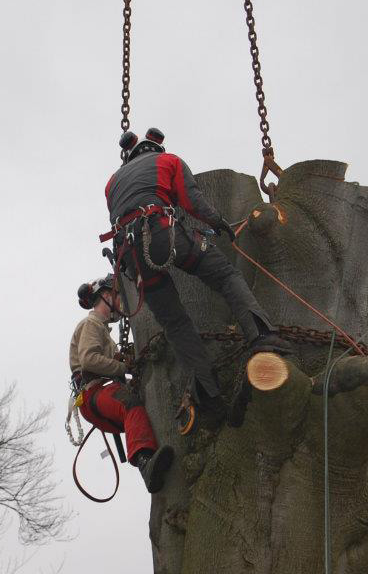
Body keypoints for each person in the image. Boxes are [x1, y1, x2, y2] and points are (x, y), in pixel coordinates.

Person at [102, 127, 288, 410]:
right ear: (156, 146)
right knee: (225, 275)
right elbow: (192, 202)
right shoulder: (169, 161)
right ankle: (262, 336)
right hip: (161, 234)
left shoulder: (112, 183)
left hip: (131, 257)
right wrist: (218, 223)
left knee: (174, 323)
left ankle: (206, 389)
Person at [70, 274, 173, 493]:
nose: (121, 303)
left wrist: (125, 361)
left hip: (101, 391)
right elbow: (89, 359)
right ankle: (146, 464)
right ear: (106, 295)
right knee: (130, 404)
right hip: (93, 393)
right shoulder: (91, 324)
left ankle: (146, 449)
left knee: (137, 404)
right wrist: (123, 368)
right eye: (117, 296)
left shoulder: (103, 332)